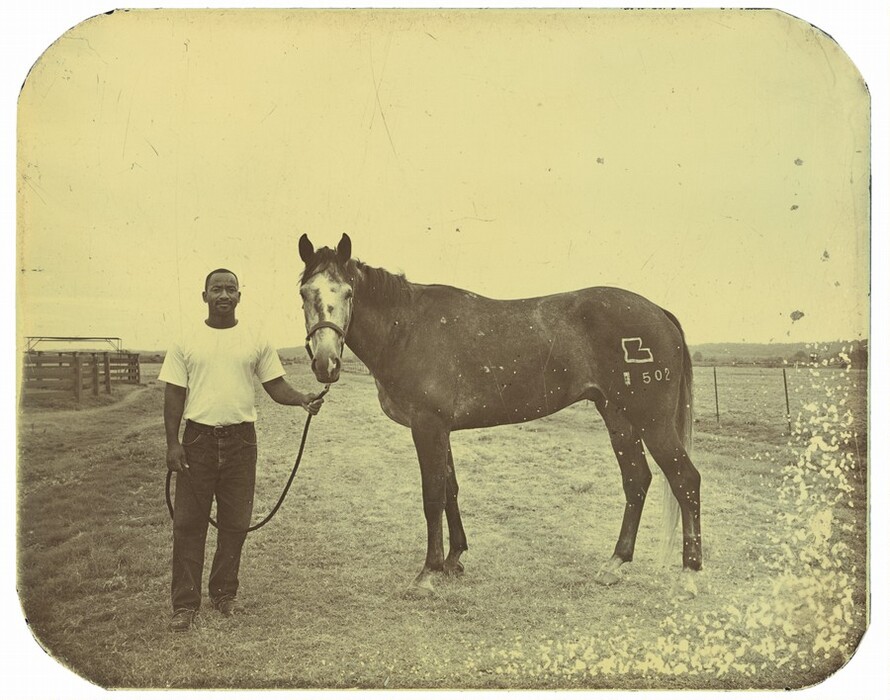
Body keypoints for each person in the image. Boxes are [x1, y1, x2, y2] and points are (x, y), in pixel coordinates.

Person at [159, 268, 324, 632]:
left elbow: (275, 386)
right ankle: (184, 605)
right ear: (204, 296)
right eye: (216, 289)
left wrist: (302, 399)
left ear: (239, 296)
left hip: (241, 442)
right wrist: (173, 443)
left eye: (230, 289)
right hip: (197, 441)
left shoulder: (255, 339)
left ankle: (223, 594)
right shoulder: (186, 340)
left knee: (235, 524)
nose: (224, 295)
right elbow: (174, 393)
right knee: (188, 524)